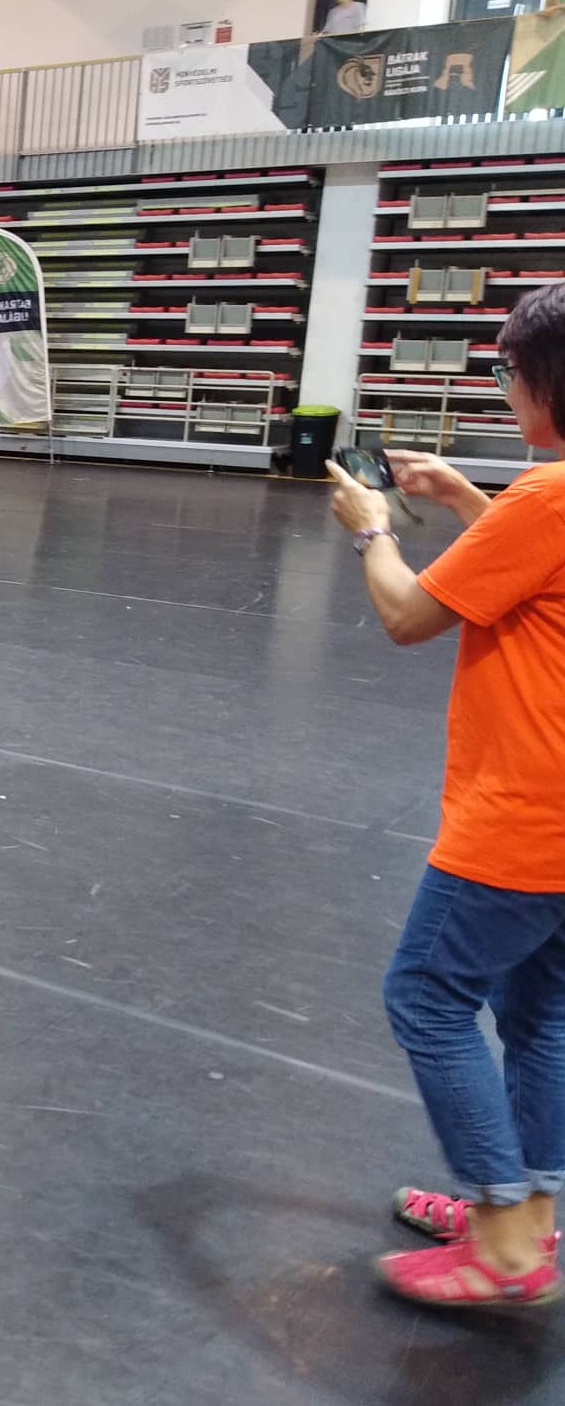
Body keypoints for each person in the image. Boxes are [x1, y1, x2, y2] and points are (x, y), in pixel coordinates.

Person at [323, 283, 565, 1310]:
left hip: (525, 813)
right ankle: (533, 1215)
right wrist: (469, 499)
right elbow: (537, 570)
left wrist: (372, 528)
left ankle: (505, 1242)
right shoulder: (541, 505)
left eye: (509, 370)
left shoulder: (547, 499)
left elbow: (410, 615)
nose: (505, 387)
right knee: (542, 1008)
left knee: (425, 995)